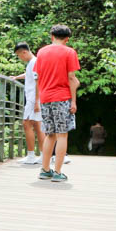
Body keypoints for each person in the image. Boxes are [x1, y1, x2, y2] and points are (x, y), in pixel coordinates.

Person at [33, 24, 80, 182]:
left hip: (46, 97)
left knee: (50, 135)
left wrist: (38, 100)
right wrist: (73, 101)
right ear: (67, 39)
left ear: (52, 36)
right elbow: (72, 78)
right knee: (62, 135)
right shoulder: (69, 52)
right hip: (61, 97)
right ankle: (58, 172)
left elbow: (38, 77)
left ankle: (45, 170)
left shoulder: (41, 52)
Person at [10, 43, 42, 165]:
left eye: (19, 55)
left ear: (24, 52)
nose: (20, 58)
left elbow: (38, 81)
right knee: (38, 127)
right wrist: (17, 77)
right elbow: (29, 75)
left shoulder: (33, 62)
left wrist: (37, 101)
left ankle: (31, 155)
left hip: (33, 98)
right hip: (34, 98)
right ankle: (43, 155)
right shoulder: (33, 63)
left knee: (26, 124)